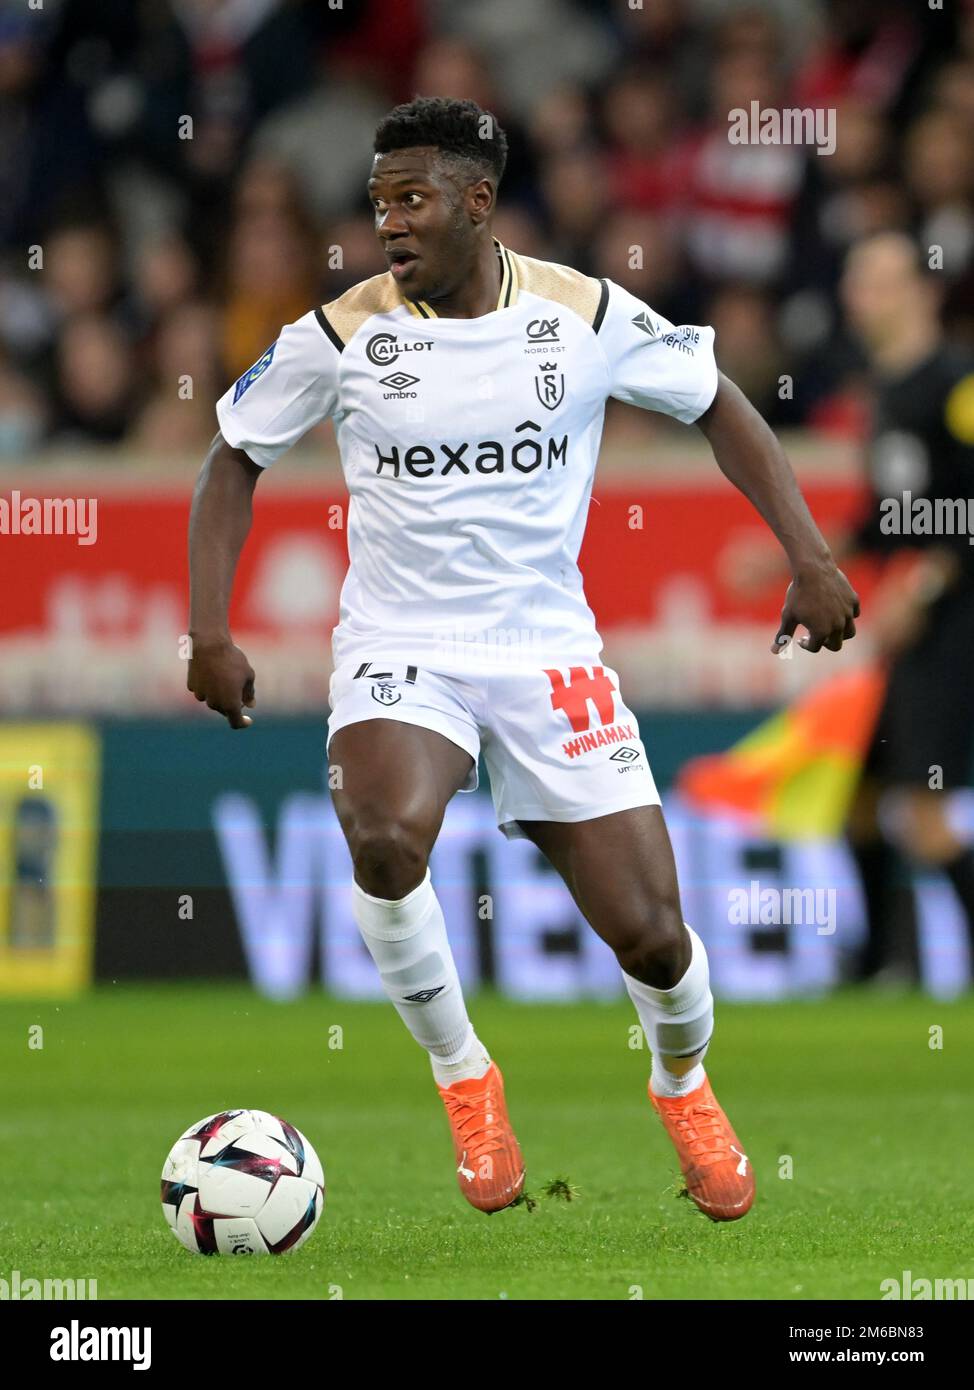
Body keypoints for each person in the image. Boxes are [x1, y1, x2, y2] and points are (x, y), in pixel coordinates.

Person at [187, 97, 858, 1222]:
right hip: (402, 644)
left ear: (478, 201)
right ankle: (464, 1075)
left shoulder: (582, 312)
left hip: (546, 646)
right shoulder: (343, 331)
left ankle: (681, 1083)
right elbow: (230, 458)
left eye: (412, 199)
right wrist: (208, 628)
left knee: (651, 934)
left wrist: (808, 555)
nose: (389, 224)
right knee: (384, 834)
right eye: (378, 202)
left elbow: (719, 404)